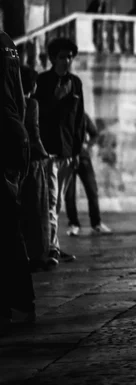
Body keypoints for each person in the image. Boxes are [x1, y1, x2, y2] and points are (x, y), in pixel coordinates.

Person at [36, 37, 85, 264]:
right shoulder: (42, 82)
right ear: (53, 59)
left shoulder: (75, 82)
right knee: (51, 200)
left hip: (68, 151)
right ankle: (51, 248)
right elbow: (38, 115)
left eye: (70, 57)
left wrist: (78, 150)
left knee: (59, 203)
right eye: (63, 57)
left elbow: (79, 119)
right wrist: (56, 99)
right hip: (50, 151)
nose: (68, 61)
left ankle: (54, 244)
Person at [0, 30, 36, 327]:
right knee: (10, 226)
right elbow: (22, 101)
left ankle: (17, 304)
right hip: (15, 135)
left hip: (3, 134)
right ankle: (21, 304)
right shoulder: (7, 42)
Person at [19, 65, 55, 271]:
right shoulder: (31, 103)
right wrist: (45, 154)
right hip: (32, 162)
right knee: (37, 208)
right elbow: (34, 133)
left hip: (11, 162)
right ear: (32, 85)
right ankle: (38, 254)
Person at [65, 113, 112, 236]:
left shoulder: (82, 116)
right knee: (69, 194)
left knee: (92, 190)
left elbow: (95, 134)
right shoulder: (61, 113)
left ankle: (96, 224)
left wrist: (87, 145)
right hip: (67, 158)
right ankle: (73, 224)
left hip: (83, 158)